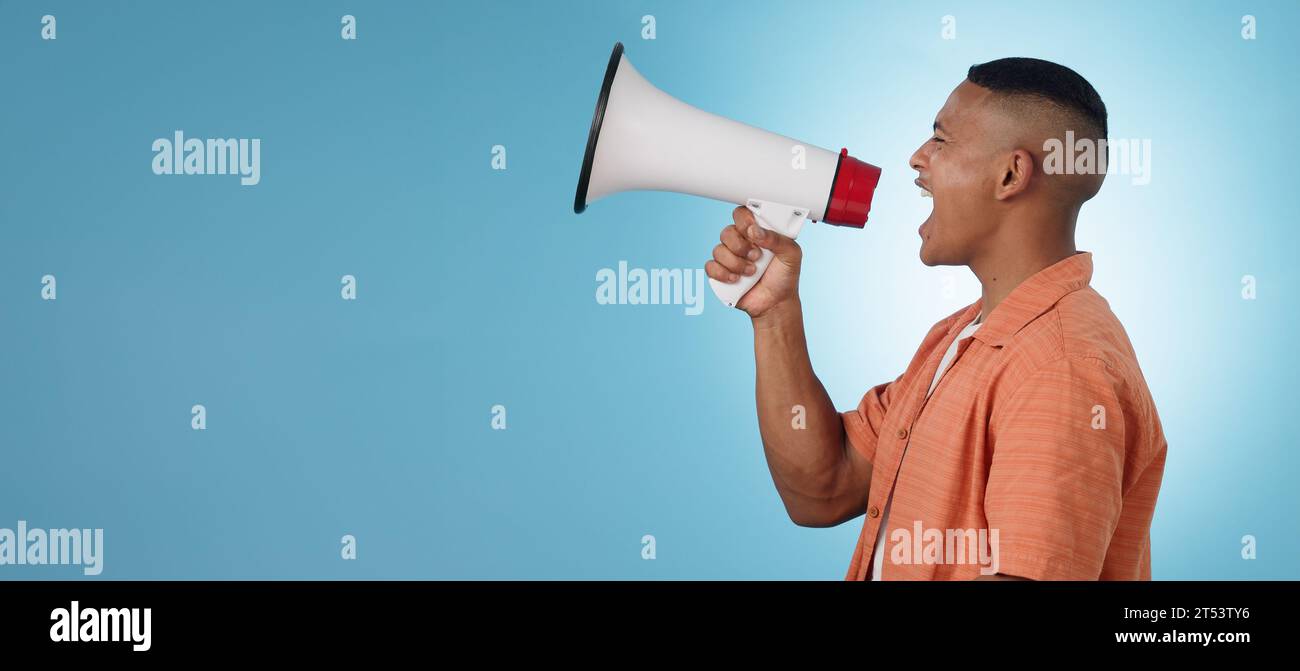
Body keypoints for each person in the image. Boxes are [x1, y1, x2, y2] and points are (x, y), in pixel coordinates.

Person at [704, 58, 1167, 580]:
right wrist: (775, 314)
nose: (917, 159)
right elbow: (824, 489)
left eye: (941, 141)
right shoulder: (959, 339)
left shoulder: (1060, 368)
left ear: (1011, 174)